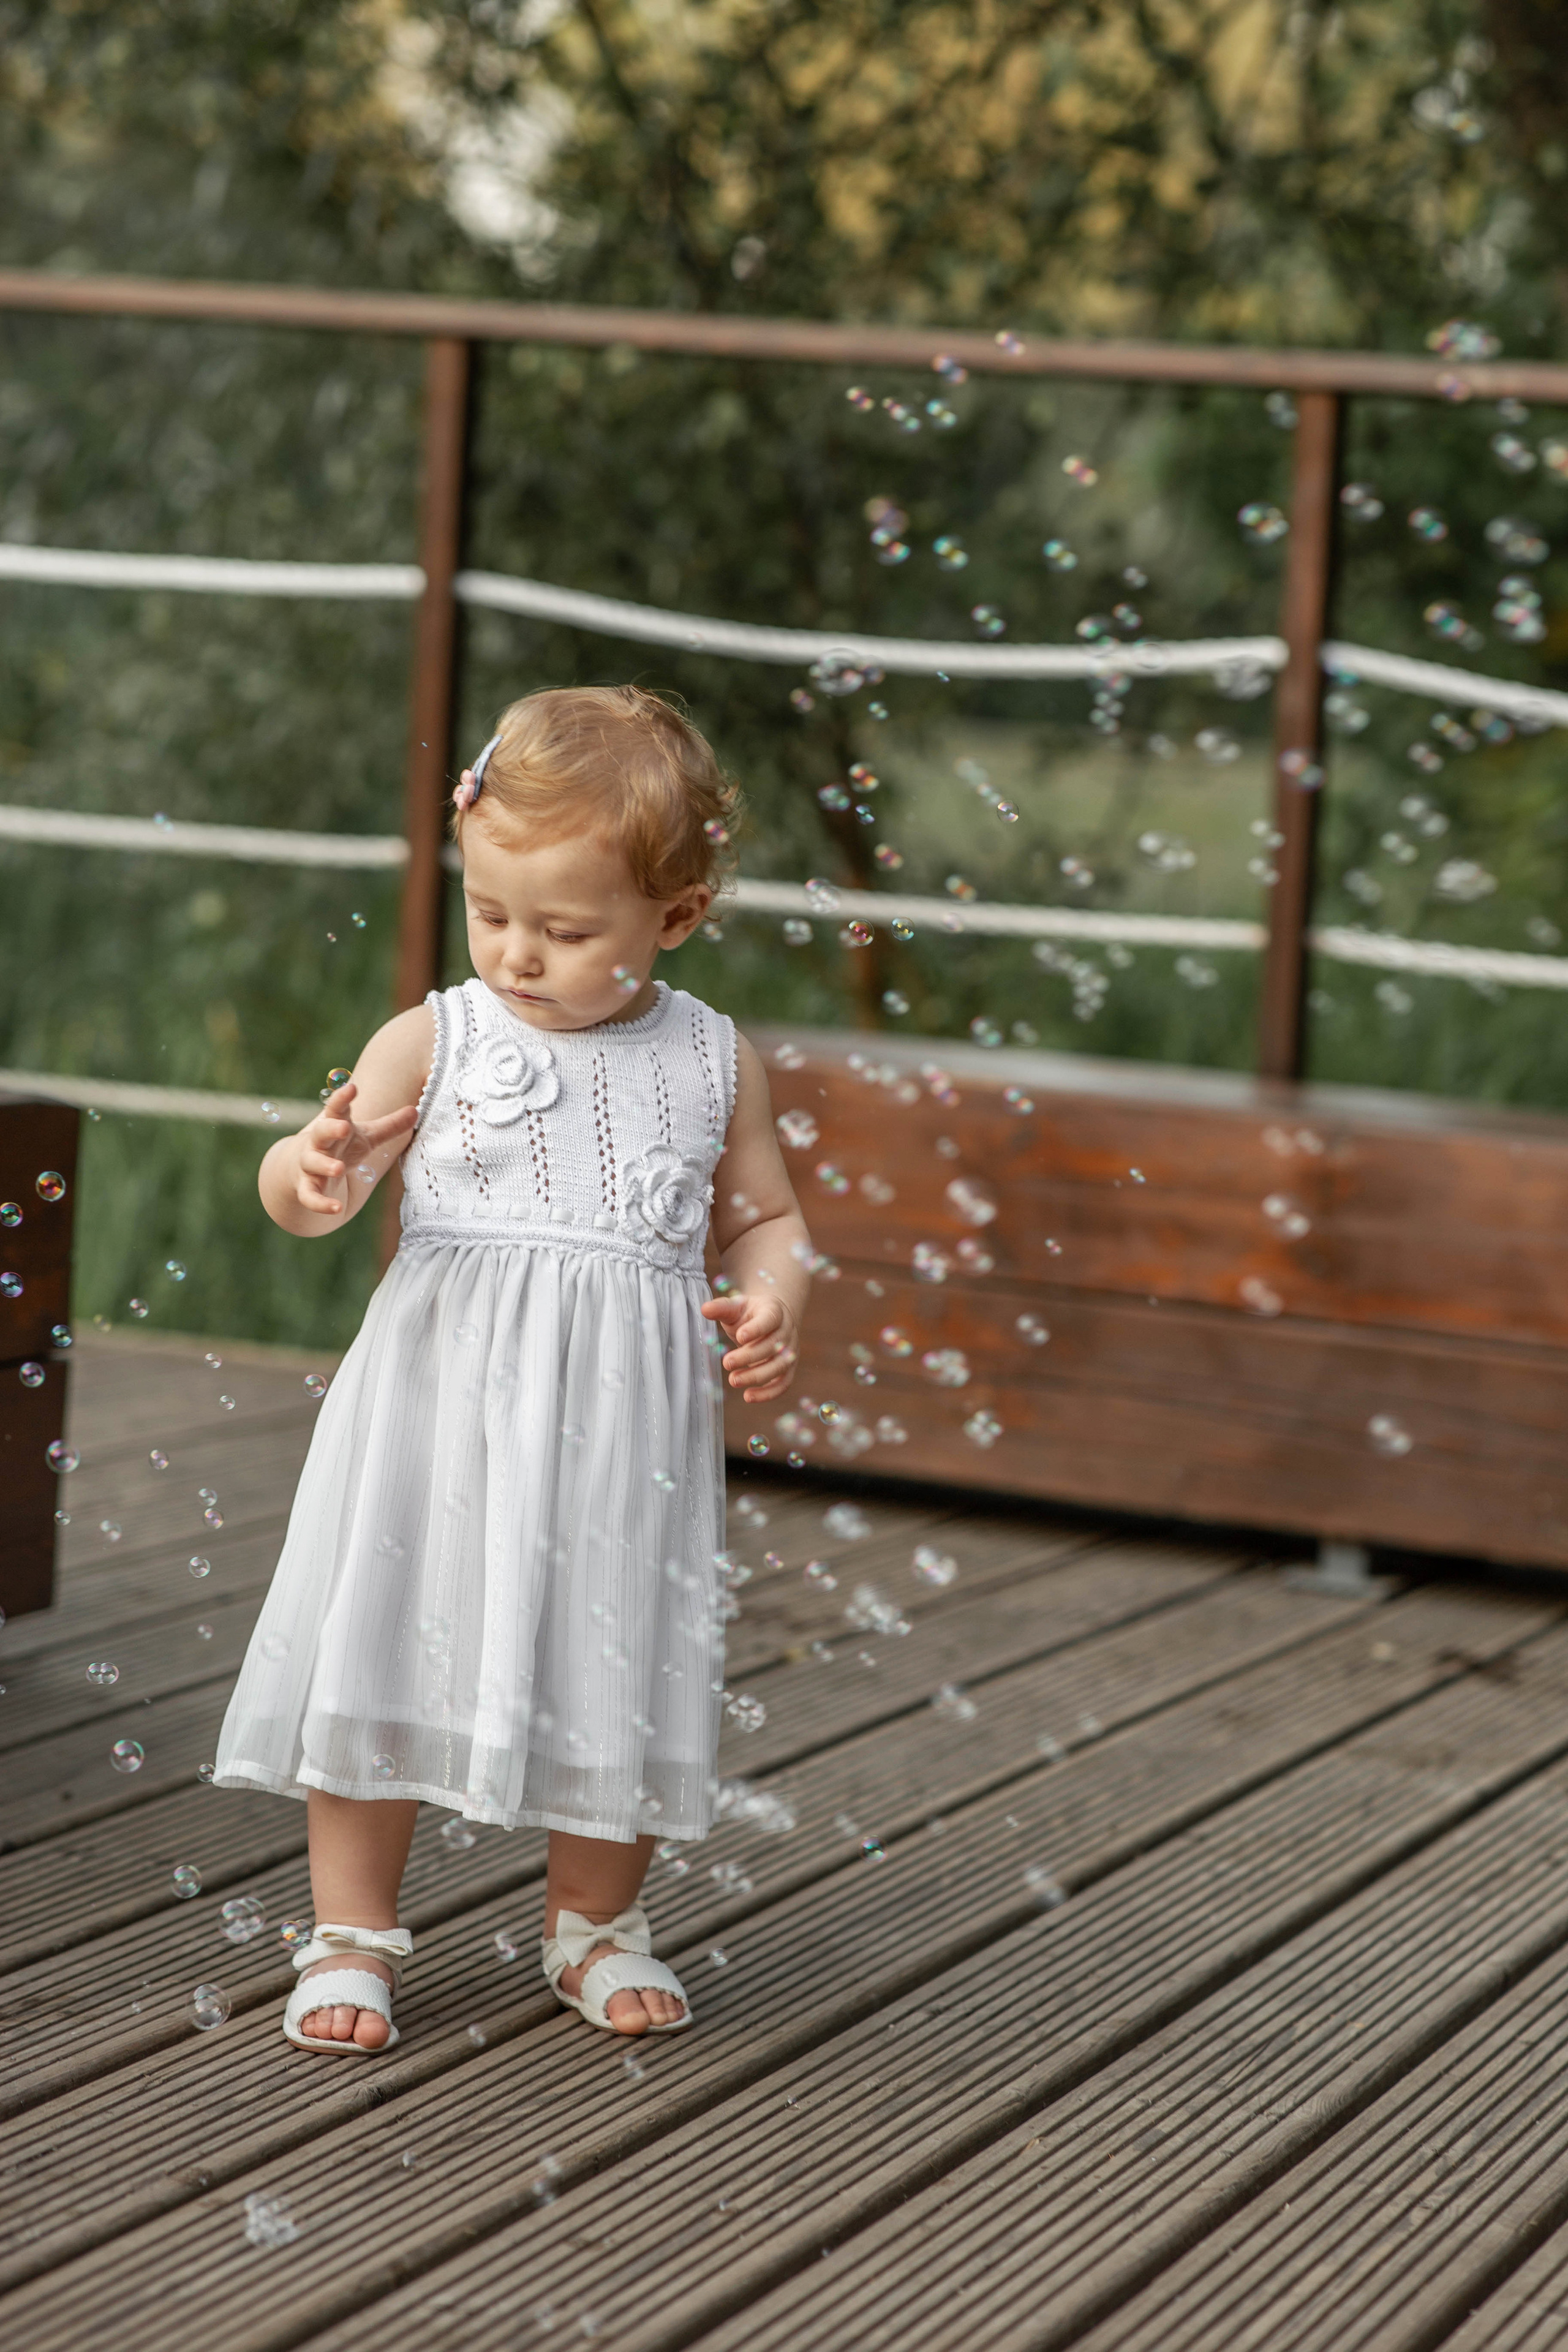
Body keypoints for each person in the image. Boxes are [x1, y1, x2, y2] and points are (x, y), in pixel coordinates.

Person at [213, 685, 811, 2054]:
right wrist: (308, 1172)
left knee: (615, 1652)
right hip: (436, 1416)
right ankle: (351, 1928)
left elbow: (766, 1220)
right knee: (385, 1638)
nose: (517, 954)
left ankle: (593, 1924)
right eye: (491, 915)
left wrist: (773, 1301)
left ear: (676, 916)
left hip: (619, 1432)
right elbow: (310, 1189)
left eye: (564, 928)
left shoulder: (712, 1061)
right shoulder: (439, 1036)